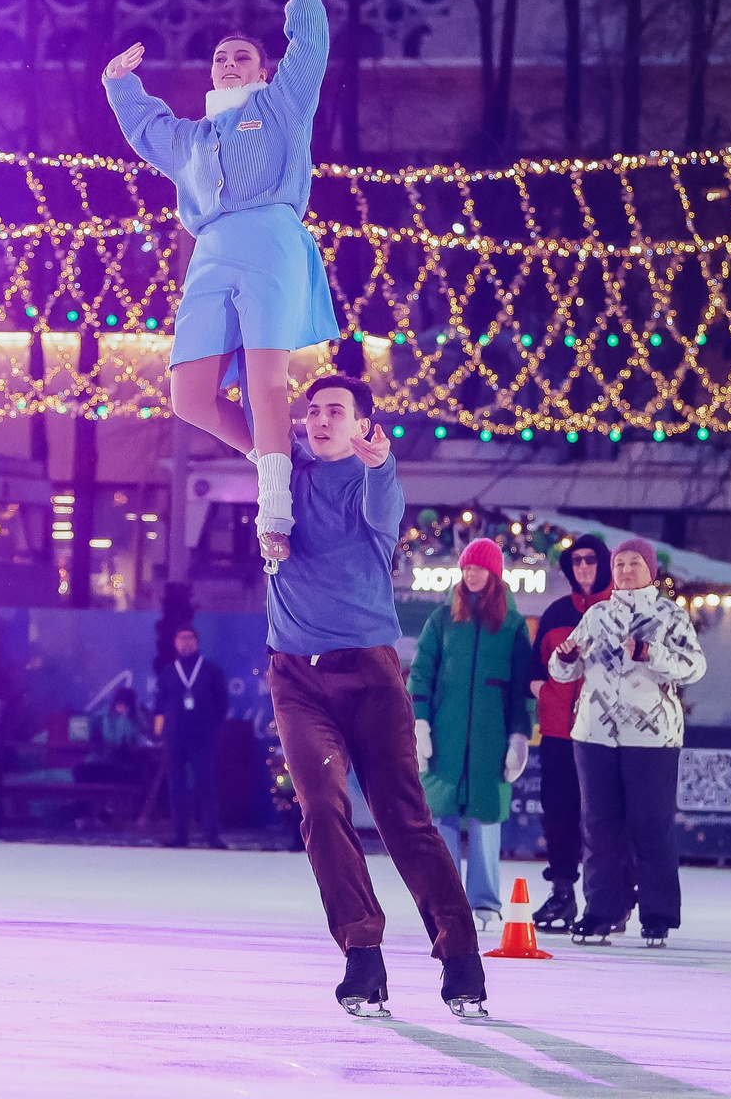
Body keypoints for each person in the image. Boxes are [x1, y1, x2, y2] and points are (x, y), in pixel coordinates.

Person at [261, 374, 485, 1020]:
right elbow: (245, 409)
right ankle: (362, 952)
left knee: (403, 816)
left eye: (337, 411)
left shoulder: (370, 478)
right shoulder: (282, 472)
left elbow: (385, 499)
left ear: (363, 424)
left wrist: (382, 461)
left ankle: (460, 954)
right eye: (314, 410)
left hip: (370, 674)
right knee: (322, 807)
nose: (321, 420)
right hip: (297, 680)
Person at [103, 0, 333, 565]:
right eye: (221, 58)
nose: (229, 64)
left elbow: (310, 53)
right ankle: (273, 452)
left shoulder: (283, 106)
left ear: (263, 70)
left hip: (269, 237)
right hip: (212, 250)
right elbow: (148, 130)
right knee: (189, 394)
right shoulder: (194, 139)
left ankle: (276, 510)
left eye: (242, 58)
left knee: (265, 379)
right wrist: (120, 84)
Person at [551, 537, 707, 948]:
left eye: (633, 563)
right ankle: (601, 912)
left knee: (651, 827)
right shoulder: (598, 614)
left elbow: (694, 666)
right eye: (619, 564)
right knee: (599, 828)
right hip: (594, 734)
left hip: (652, 737)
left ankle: (657, 915)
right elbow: (564, 671)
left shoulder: (669, 615)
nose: (623, 570)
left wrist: (650, 653)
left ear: (650, 569)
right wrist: (565, 658)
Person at [411, 537, 534, 926]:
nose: (471, 574)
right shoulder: (443, 619)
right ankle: (443, 901)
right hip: (445, 736)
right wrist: (420, 722)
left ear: (494, 574)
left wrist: (519, 736)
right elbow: (421, 673)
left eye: (478, 568)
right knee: (441, 817)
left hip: (490, 738)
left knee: (486, 817)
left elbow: (521, 687)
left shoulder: (513, 626)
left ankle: (484, 902)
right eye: (466, 568)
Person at [525, 532, 611, 931]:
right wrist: (541, 690)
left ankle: (610, 897)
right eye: (576, 561)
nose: (583, 567)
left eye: (590, 559)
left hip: (606, 734)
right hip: (559, 731)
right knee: (559, 814)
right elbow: (533, 667)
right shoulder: (557, 611)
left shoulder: (617, 610)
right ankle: (562, 893)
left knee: (603, 817)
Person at [152, 626, 228, 849]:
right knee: (176, 785)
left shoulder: (211, 671)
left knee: (206, 784)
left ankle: (212, 836)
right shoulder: (168, 672)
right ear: (175, 643)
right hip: (174, 737)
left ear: (197, 642)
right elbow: (159, 705)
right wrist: (159, 734)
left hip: (202, 737)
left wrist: (213, 729)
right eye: (181, 638)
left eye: (189, 638)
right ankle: (180, 835)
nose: (185, 642)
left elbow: (222, 704)